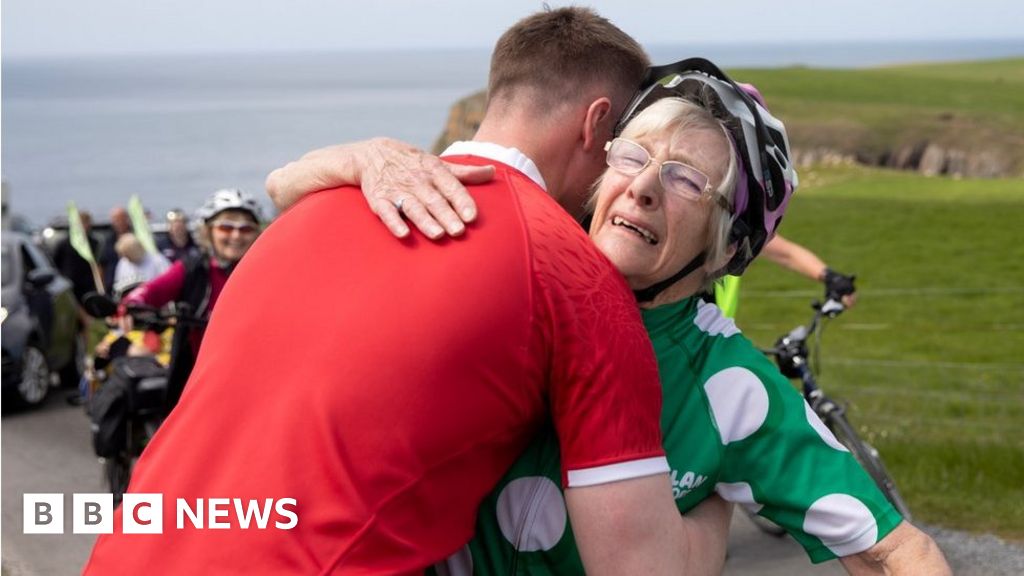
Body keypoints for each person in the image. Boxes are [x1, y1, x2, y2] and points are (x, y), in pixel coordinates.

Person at [85, 9, 709, 575]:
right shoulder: (575, 278)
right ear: (596, 123)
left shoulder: (306, 210)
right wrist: (719, 498)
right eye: (625, 148)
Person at [267, 61, 952, 575]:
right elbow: (290, 198)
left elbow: (897, 550)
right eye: (634, 155)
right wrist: (349, 159)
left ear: (727, 249)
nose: (646, 187)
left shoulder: (728, 384)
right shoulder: (503, 256)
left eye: (689, 180)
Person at [116, 188, 262, 405]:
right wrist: (131, 305)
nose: (236, 235)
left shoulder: (267, 271)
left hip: (256, 374)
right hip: (201, 378)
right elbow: (150, 291)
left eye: (246, 228)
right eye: (226, 227)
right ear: (208, 231)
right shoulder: (193, 269)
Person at [111, 232, 171, 298]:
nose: (127, 259)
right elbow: (118, 288)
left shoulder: (158, 261)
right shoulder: (123, 263)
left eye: (128, 255)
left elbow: (168, 285)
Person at [98, 205, 132, 293]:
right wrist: (102, 289)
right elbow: (101, 266)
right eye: (115, 220)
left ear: (127, 219)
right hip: (112, 289)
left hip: (132, 286)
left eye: (121, 219)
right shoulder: (108, 241)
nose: (118, 223)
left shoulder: (136, 238)